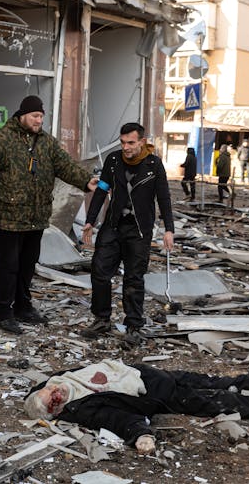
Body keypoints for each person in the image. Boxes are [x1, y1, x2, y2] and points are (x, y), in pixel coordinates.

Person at [0, 95, 98, 335]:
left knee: (27, 265)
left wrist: (85, 180)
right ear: (22, 115)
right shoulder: (1, 141)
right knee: (8, 265)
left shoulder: (46, 143)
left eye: (41, 116)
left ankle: (23, 306)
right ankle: (3, 312)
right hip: (9, 217)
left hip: (36, 217)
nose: (39, 120)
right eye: (35, 116)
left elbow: (65, 165)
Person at [24, 360, 249, 455]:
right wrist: (139, 435)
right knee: (226, 403)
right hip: (161, 396)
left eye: (49, 390)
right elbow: (116, 417)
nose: (55, 392)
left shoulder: (63, 377)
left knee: (213, 381)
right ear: (56, 412)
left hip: (150, 375)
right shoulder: (81, 409)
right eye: (53, 401)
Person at [79, 123, 174, 343]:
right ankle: (101, 319)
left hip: (139, 231)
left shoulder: (154, 165)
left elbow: (164, 198)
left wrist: (169, 229)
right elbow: (102, 190)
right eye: (122, 143)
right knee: (100, 272)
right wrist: (90, 221)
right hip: (112, 227)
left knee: (133, 278)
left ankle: (133, 325)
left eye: (131, 143)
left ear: (142, 141)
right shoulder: (113, 161)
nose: (126, 147)